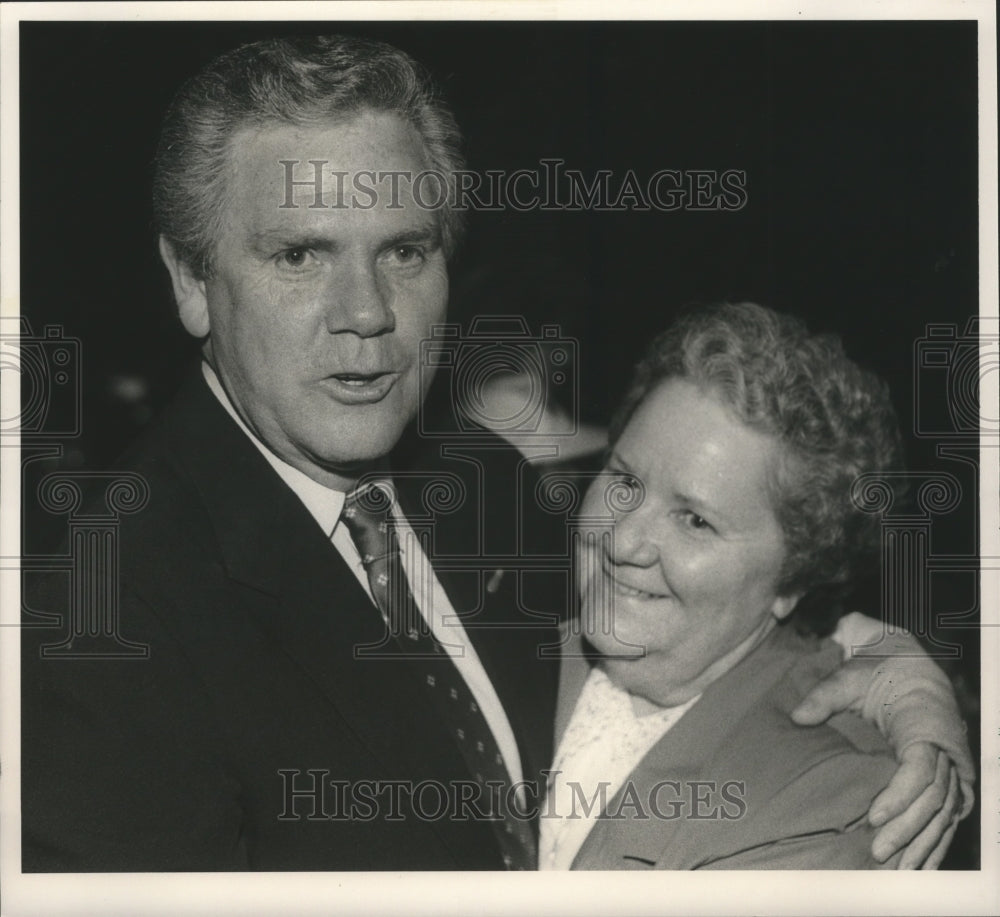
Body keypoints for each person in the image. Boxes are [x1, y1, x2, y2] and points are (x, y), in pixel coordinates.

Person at [21, 36, 970, 873]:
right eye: (300, 255)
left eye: (403, 251)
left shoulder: (478, 480)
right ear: (191, 280)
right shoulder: (101, 615)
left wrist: (901, 671)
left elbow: (704, 573)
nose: (366, 314)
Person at [541, 302, 974, 870]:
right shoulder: (508, 648)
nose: (622, 542)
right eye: (624, 480)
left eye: (695, 520)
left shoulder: (834, 801)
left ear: (791, 580)